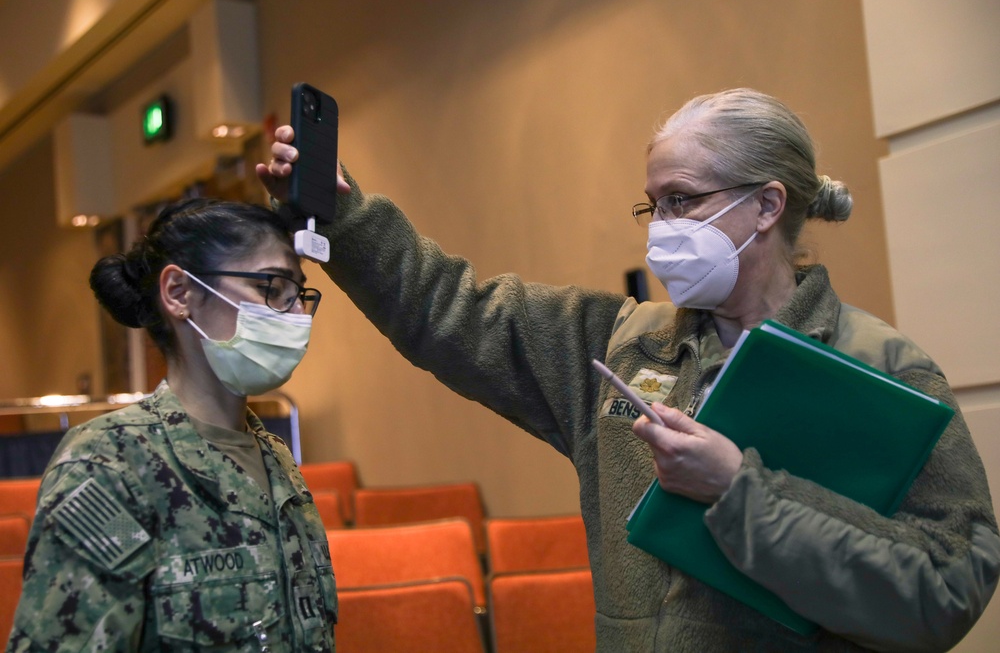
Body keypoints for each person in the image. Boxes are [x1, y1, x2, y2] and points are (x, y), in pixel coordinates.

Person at [257, 87, 999, 651]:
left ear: (767, 205)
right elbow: (449, 309)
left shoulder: (883, 370)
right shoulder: (621, 343)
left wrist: (741, 492)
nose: (663, 229)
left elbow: (947, 584)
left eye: (683, 200)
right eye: (654, 206)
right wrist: (348, 221)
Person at [5, 199, 337, 652]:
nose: (297, 315)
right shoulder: (109, 462)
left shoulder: (274, 457)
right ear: (180, 293)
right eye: (273, 288)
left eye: (299, 295)